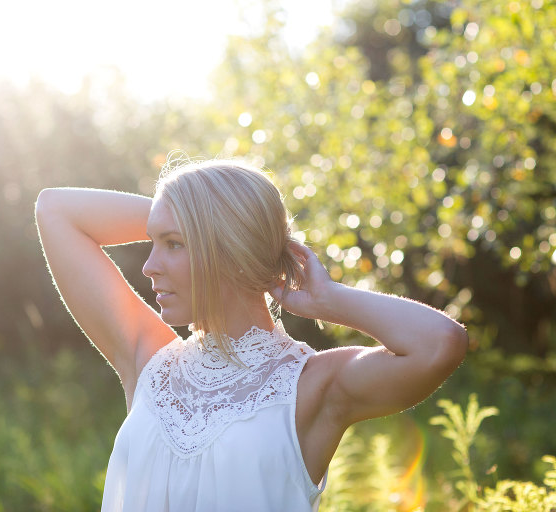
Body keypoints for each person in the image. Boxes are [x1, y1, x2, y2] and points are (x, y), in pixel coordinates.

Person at [34, 157, 468, 511]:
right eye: (154, 242)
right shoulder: (149, 364)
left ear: (227, 248)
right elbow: (55, 209)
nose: (149, 265)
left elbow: (440, 344)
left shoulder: (311, 386)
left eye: (174, 243)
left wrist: (327, 300)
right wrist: (191, 210)